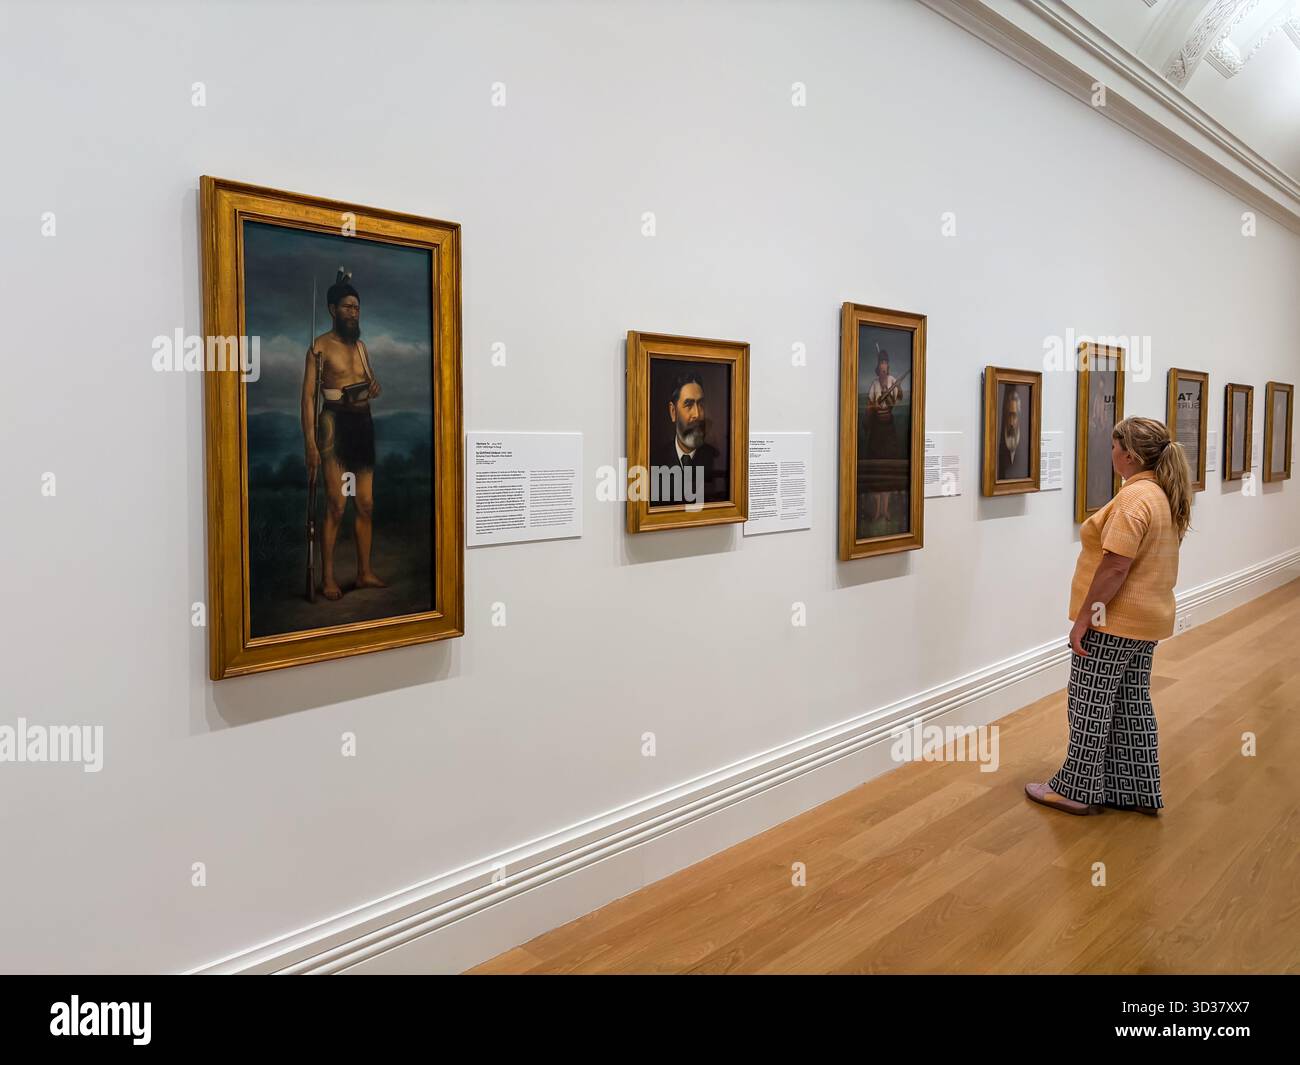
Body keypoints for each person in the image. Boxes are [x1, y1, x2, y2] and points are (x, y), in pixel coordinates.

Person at [1026, 417, 1191, 816]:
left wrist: (1085, 618)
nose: (1111, 453)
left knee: (1089, 703)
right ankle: (1132, 789)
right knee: (1130, 702)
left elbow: (1115, 566)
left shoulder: (1134, 500)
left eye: (1114, 447)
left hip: (1114, 620)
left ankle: (1077, 790)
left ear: (1129, 455)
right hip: (1146, 622)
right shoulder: (1160, 493)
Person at [302, 270, 386, 601]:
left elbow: (370, 382)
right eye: (348, 306)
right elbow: (307, 398)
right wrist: (309, 443)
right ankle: (327, 578)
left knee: (365, 503)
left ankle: (364, 573)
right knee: (337, 504)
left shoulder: (362, 347)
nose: (354, 312)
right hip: (333, 426)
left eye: (357, 307)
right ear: (332, 309)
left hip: (362, 423)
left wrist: (373, 387)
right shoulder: (319, 348)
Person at [649, 371, 727, 504]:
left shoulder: (718, 461)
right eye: (689, 405)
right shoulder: (654, 462)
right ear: (673, 412)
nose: (697, 414)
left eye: (701, 404)